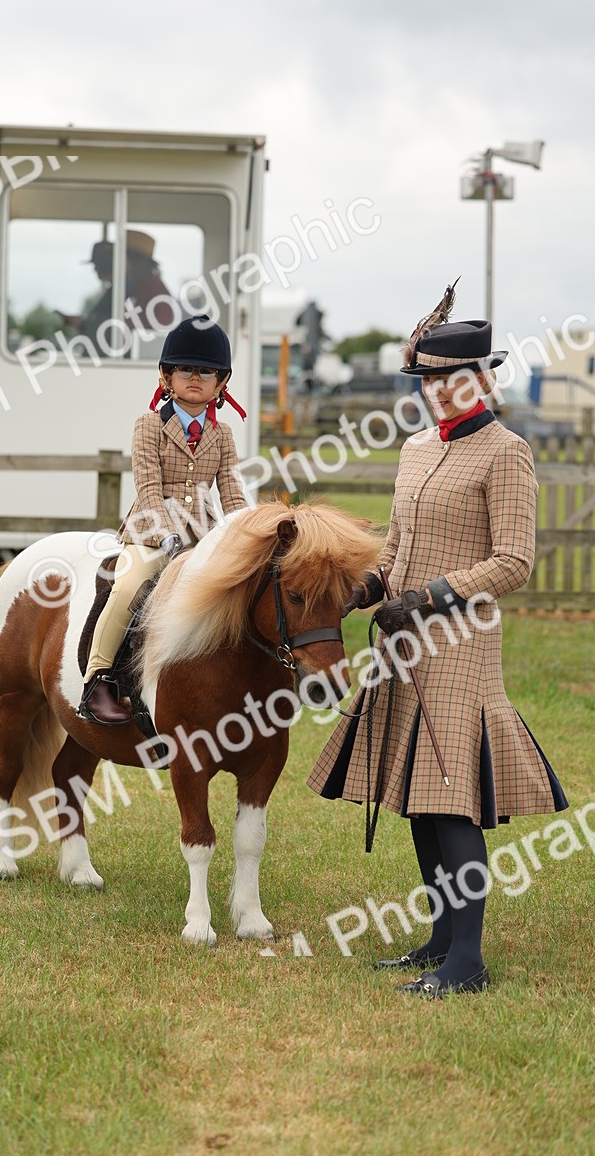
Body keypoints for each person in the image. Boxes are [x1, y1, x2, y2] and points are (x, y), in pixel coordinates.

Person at [306, 291, 568, 999]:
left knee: (451, 799)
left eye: (451, 378)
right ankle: (441, 938)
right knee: (422, 798)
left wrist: (430, 596)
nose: (437, 392)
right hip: (401, 646)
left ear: (483, 379)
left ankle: (469, 961)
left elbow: (514, 560)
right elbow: (397, 547)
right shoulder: (417, 448)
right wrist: (367, 589)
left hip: (460, 646)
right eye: (427, 380)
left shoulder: (506, 453)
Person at [78, 314, 248, 725]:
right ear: (166, 376)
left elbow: (232, 491)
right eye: (185, 369)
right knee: (129, 587)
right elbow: (148, 485)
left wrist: (249, 532)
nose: (195, 377)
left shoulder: (222, 435)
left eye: (206, 371)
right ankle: (97, 679)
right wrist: (168, 535)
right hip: (151, 534)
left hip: (202, 536)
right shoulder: (148, 425)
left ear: (220, 383)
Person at [58, 230, 174, 357]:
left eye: (122, 258)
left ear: (137, 261)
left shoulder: (156, 293)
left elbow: (154, 335)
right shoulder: (131, 287)